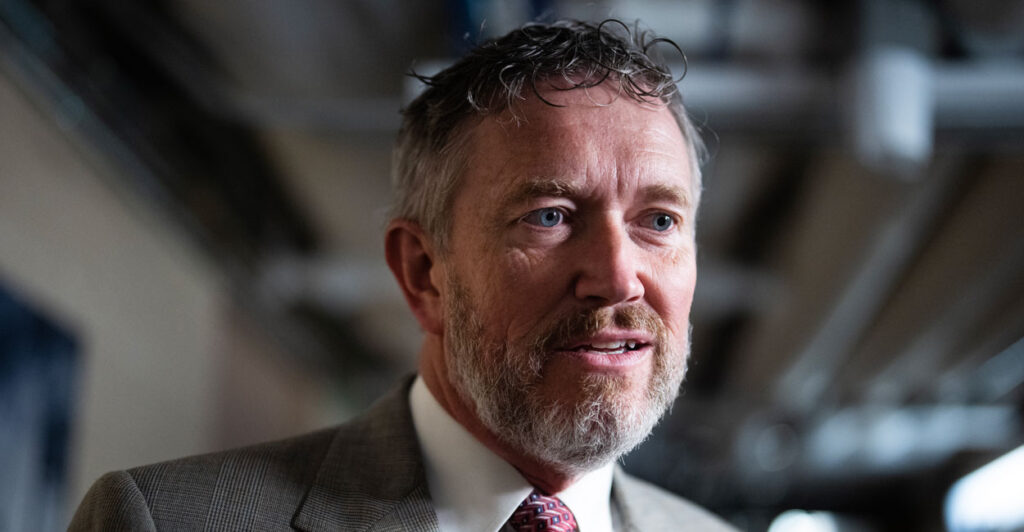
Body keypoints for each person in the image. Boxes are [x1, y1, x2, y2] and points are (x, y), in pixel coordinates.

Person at [70, 19, 735, 531]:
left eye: (660, 222)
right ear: (423, 272)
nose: (619, 277)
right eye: (550, 216)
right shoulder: (167, 521)